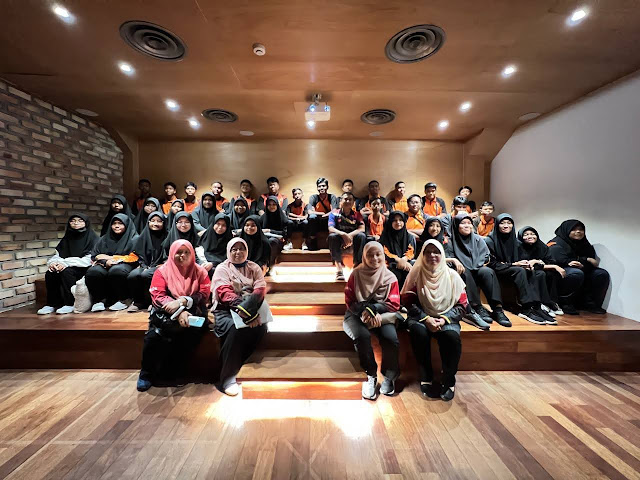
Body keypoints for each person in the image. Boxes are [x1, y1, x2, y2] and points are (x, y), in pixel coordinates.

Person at [136, 239, 211, 392]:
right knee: (154, 336)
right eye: (178, 252)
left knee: (190, 334)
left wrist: (184, 301)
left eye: (186, 252)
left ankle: (172, 372)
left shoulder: (200, 272)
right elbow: (158, 296)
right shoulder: (162, 272)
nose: (182, 255)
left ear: (192, 254)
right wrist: (179, 312)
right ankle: (146, 374)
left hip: (194, 311)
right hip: (165, 313)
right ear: (171, 253)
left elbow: (204, 294)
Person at [401, 240, 467, 401]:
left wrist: (444, 319)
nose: (432, 255)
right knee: (418, 332)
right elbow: (408, 302)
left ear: (442, 254)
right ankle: (426, 376)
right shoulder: (416, 275)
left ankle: (448, 380)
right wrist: (426, 318)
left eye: (436, 252)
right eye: (428, 252)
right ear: (422, 255)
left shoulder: (452, 276)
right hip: (421, 317)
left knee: (451, 337)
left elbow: (463, 305)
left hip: (447, 317)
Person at [344, 242, 402, 400]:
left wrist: (374, 309)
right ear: (364, 256)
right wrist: (365, 311)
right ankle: (370, 375)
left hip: (382, 315)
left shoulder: (390, 277)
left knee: (390, 338)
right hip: (356, 313)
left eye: (378, 254)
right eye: (370, 255)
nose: (375, 258)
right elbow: (350, 300)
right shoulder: (356, 274)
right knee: (362, 336)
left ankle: (389, 377)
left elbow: (394, 303)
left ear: (384, 256)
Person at [211, 238, 269, 396]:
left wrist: (249, 311)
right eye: (234, 249)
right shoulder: (222, 268)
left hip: (250, 307)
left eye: (241, 249)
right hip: (225, 310)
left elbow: (260, 289)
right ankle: (227, 378)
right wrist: (245, 312)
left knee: (262, 327)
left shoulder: (253, 267)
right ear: (228, 251)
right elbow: (225, 293)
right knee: (235, 329)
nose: (238, 252)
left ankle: (241, 363)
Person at [485, 214, 556, 325]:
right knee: (520, 270)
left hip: (512, 268)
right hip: (497, 270)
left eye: (509, 223)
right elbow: (492, 263)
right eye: (502, 223)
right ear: (497, 225)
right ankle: (526, 308)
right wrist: (513, 264)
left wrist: (526, 263)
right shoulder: (490, 241)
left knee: (531, 270)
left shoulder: (516, 242)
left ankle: (536, 306)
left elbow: (522, 258)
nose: (506, 226)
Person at [445, 214, 511, 327]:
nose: (467, 226)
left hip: (477, 267)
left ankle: (497, 309)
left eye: (469, 223)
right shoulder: (450, 241)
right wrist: (460, 264)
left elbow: (485, 255)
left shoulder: (478, 239)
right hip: (460, 270)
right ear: (456, 225)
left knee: (488, 272)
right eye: (463, 223)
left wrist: (476, 265)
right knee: (465, 272)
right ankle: (477, 307)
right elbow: (449, 258)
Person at [38, 213, 98, 315]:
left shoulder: (93, 238)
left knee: (67, 272)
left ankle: (70, 303)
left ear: (86, 223)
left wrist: (65, 263)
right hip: (66, 266)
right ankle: (52, 304)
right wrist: (54, 263)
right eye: (73, 221)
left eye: (80, 221)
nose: (76, 223)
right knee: (51, 273)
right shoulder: (67, 238)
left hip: (85, 268)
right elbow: (58, 254)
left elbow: (89, 259)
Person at [547, 219, 610, 315]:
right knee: (575, 273)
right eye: (574, 229)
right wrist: (585, 260)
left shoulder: (585, 244)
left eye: (581, 229)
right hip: (559, 271)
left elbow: (592, 262)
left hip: (582, 269)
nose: (578, 232)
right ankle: (565, 303)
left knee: (601, 273)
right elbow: (559, 261)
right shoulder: (555, 244)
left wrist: (582, 263)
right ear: (566, 230)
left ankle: (589, 303)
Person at [86, 214, 139, 312]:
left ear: (127, 225)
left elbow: (134, 257)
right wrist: (106, 261)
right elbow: (96, 255)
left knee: (117, 270)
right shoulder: (104, 238)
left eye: (120, 223)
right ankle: (99, 300)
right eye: (114, 223)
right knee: (93, 271)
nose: (116, 226)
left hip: (127, 264)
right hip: (105, 264)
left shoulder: (134, 238)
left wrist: (112, 258)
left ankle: (124, 299)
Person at [517, 226, 566, 316]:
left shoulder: (542, 246)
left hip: (539, 269)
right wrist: (540, 263)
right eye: (526, 235)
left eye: (533, 234)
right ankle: (541, 303)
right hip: (525, 271)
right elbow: (526, 264)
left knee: (551, 273)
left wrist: (537, 261)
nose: (530, 236)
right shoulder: (518, 247)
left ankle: (551, 302)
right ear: (521, 237)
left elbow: (550, 261)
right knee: (540, 274)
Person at [127, 211, 167, 312]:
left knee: (147, 275)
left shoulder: (168, 237)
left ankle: (152, 302)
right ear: (148, 222)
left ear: (164, 223)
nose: (155, 224)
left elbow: (168, 256)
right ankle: (138, 302)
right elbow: (139, 255)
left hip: (162, 266)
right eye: (152, 221)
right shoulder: (142, 237)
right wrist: (144, 266)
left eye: (159, 221)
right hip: (145, 265)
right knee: (133, 275)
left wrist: (158, 266)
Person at [328, 192, 366, 280]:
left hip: (353, 238)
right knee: (332, 236)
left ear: (353, 202)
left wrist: (349, 236)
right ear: (341, 201)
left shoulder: (357, 214)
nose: (348, 201)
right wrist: (343, 234)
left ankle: (356, 267)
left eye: (350, 199)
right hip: (339, 237)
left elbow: (362, 228)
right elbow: (331, 228)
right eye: (345, 199)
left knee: (362, 236)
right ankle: (339, 268)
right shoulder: (334, 213)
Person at [379, 211, 416, 288]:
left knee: (412, 268)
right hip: (390, 262)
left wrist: (404, 259)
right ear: (390, 222)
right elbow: (385, 252)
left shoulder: (410, 237)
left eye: (400, 220)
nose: (398, 222)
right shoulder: (385, 237)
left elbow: (411, 252)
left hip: (406, 262)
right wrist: (399, 260)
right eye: (395, 220)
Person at [197, 213, 233, 277]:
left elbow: (229, 258)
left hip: (222, 269)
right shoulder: (207, 235)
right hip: (203, 264)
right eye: (218, 224)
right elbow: (198, 251)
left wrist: (213, 263)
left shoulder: (230, 240)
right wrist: (203, 263)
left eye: (224, 225)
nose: (220, 227)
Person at [308, 177, 340, 249]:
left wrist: (324, 215)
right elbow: (310, 211)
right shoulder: (313, 197)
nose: (321, 188)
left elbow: (334, 210)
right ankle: (313, 240)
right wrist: (321, 214)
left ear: (327, 187)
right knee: (312, 217)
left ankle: (334, 241)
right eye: (319, 186)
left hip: (328, 221)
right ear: (317, 188)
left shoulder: (332, 197)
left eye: (323, 186)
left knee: (336, 216)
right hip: (317, 221)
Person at [261, 196, 290, 267]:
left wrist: (270, 230)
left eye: (274, 204)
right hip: (265, 239)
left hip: (278, 240)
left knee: (272, 241)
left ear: (277, 205)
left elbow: (284, 233)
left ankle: (270, 264)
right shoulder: (263, 217)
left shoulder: (282, 217)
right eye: (269, 205)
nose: (272, 207)